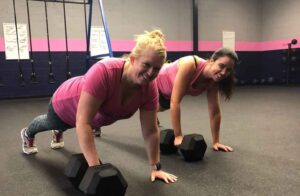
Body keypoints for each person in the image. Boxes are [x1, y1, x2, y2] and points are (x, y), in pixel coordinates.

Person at [20, 29, 177, 183]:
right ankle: (28, 133)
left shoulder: (149, 88)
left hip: (89, 115)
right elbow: (83, 122)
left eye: (156, 68)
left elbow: (150, 130)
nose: (150, 73)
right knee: (51, 122)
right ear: (133, 59)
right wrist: (96, 169)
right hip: (66, 101)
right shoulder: (105, 71)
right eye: (146, 64)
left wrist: (156, 167)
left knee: (70, 125)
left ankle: (60, 130)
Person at [156, 47, 238, 152]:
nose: (223, 72)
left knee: (159, 108)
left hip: (166, 94)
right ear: (211, 61)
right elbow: (175, 101)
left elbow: (215, 112)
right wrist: (178, 136)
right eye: (221, 66)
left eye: (228, 70)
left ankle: (152, 113)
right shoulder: (190, 64)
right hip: (154, 80)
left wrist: (216, 141)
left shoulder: (213, 81)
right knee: (131, 106)